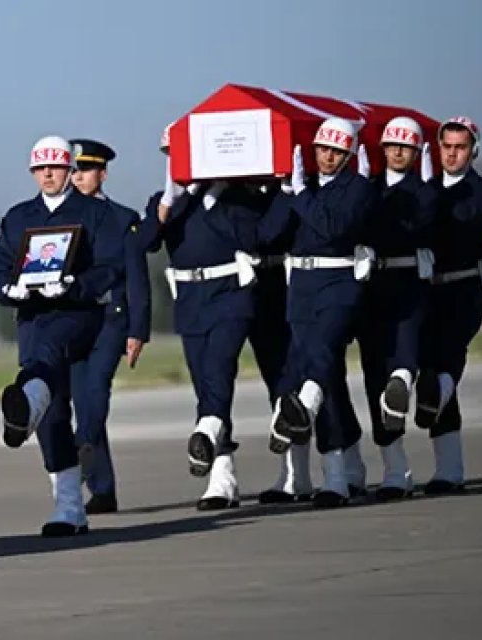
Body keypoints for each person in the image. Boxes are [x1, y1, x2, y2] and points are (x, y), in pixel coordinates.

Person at [0, 135, 128, 536]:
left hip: (77, 314)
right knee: (52, 415)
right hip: (31, 314)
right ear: (33, 171)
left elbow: (110, 268)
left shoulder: (94, 214)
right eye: (41, 168)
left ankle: (24, 405)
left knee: (44, 361)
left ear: (70, 169)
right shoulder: (17, 217)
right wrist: (8, 290)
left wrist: (73, 285)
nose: (49, 174)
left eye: (57, 167)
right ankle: (69, 507)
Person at [264, 117, 377, 508]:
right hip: (301, 289)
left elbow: (333, 228)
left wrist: (300, 196)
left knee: (322, 364)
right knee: (326, 374)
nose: (327, 157)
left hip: (338, 285)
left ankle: (326, 460)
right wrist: (284, 191)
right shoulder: (301, 188)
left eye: (336, 151)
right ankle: (344, 471)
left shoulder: (358, 187)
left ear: (347, 155)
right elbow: (267, 235)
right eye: (322, 149)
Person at [141, 154, 264, 510]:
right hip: (191, 299)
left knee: (219, 368)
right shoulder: (168, 201)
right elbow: (146, 241)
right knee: (204, 382)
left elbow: (252, 236)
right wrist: (170, 199)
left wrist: (215, 198)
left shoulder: (240, 198)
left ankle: (209, 430)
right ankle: (223, 476)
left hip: (230, 294)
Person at [414, 116, 482, 495]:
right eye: (445, 146)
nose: (451, 153)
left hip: (466, 288)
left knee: (448, 358)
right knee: (432, 367)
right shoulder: (427, 187)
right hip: (430, 291)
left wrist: (428, 202)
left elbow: (466, 220)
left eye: (459, 147)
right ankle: (449, 470)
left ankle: (435, 395)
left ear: (473, 150)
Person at [65, 137, 151, 514]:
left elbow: (137, 277)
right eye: (75, 170)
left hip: (110, 318)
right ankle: (103, 488)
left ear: (102, 172)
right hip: (71, 318)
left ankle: (81, 447)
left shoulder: (122, 219)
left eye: (86, 169)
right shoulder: (60, 215)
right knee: (81, 398)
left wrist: (139, 328)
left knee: (96, 390)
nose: (79, 177)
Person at [356, 117, 437, 501]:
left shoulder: (424, 192)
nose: (397, 152)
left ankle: (403, 383)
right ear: (383, 149)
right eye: (391, 145)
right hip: (373, 286)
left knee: (403, 361)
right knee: (376, 377)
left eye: (405, 146)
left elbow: (426, 224)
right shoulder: (368, 189)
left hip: (409, 282)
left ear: (416, 151)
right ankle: (395, 469)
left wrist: (423, 191)